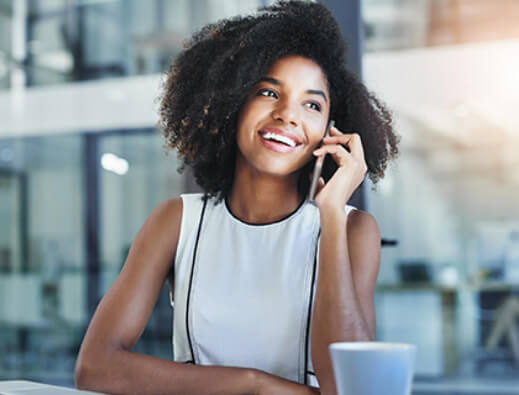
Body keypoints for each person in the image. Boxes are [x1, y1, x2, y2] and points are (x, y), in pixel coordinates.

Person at [74, 1, 399, 394]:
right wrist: (253, 386)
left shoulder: (351, 230)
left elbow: (350, 386)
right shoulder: (176, 221)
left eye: (311, 104)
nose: (287, 115)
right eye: (268, 92)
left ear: (330, 131)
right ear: (234, 103)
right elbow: (95, 367)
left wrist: (329, 214)